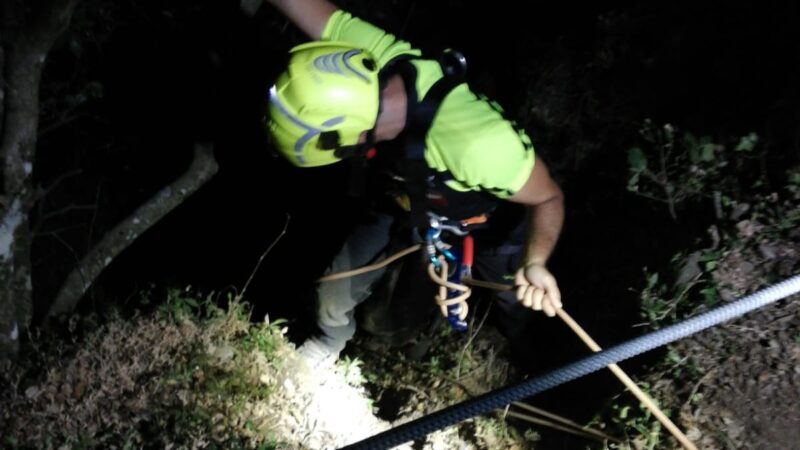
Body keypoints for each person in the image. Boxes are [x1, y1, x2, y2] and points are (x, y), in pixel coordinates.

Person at [262, 0, 565, 369]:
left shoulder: (479, 145)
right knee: (334, 293)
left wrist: (535, 262)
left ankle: (525, 361)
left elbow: (547, 197)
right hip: (408, 201)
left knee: (517, 300)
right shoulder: (364, 61)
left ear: (355, 136)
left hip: (490, 226)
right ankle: (328, 342)